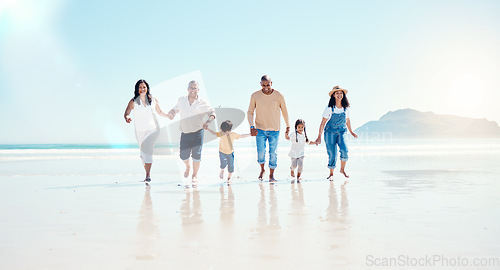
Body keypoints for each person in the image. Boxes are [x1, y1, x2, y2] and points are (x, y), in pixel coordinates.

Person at [166, 80, 215, 185]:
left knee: (196, 156)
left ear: (198, 90)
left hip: (198, 132)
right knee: (183, 156)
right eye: (191, 88)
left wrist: (208, 122)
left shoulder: (203, 102)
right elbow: (175, 109)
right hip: (185, 132)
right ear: (187, 89)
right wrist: (172, 113)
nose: (192, 90)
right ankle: (188, 166)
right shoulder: (181, 100)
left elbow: (212, 113)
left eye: (194, 88)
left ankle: (194, 175)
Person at [123, 79, 170, 183]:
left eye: (144, 87)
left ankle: (148, 175)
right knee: (143, 153)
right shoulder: (133, 101)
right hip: (139, 130)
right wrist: (127, 117)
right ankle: (147, 173)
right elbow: (127, 112)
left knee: (147, 149)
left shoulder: (153, 99)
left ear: (147, 88)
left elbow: (159, 112)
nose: (142, 89)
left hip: (153, 129)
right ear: (137, 89)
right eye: (140, 87)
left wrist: (167, 116)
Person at [247, 75, 290, 182]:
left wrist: (288, 125)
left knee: (273, 153)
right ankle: (262, 170)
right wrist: (251, 126)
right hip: (260, 129)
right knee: (261, 152)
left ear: (271, 83)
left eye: (268, 85)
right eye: (264, 85)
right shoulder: (255, 96)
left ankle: (271, 175)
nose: (266, 87)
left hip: (274, 129)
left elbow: (284, 111)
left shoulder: (279, 95)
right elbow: (250, 112)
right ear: (260, 84)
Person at [315, 86, 357, 181]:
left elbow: (348, 120)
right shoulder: (329, 108)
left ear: (343, 95)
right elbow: (322, 123)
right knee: (332, 154)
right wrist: (319, 136)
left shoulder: (346, 108)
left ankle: (342, 170)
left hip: (342, 132)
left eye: (341, 93)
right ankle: (331, 173)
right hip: (330, 132)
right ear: (333, 95)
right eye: (337, 93)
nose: (339, 95)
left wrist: (351, 131)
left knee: (345, 150)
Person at [205, 120, 251, 184]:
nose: (225, 132)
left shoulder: (233, 134)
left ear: (229, 130)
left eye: (225, 131)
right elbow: (214, 133)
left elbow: (241, 136)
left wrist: (250, 134)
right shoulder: (221, 134)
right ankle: (222, 170)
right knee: (223, 164)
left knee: (231, 167)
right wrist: (208, 129)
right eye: (223, 131)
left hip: (230, 153)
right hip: (222, 152)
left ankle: (229, 178)